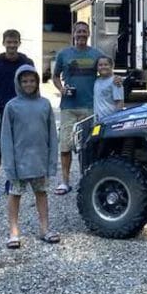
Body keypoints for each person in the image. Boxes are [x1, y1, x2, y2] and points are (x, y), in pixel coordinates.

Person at [1, 64, 59, 248]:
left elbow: (52, 135)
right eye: (24, 81)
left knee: (41, 194)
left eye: (32, 80)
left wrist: (52, 163)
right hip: (19, 163)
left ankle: (44, 228)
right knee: (15, 195)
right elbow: (6, 139)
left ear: (37, 82)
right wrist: (9, 166)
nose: (28, 84)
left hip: (39, 162)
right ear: (18, 82)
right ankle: (13, 232)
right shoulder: (11, 106)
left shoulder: (45, 104)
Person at [0, 29, 34, 201]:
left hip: (20, 112)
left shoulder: (27, 62)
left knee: (17, 148)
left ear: (19, 42)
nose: (12, 45)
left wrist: (32, 109)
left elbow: (32, 86)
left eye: (14, 42)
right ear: (4, 43)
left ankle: (12, 181)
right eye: (9, 42)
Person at [51, 21, 103, 195]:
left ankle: (86, 180)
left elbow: (106, 72)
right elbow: (55, 76)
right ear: (73, 34)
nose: (81, 34)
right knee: (65, 145)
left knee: (87, 146)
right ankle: (65, 182)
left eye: (84, 31)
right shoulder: (64, 54)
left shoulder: (96, 54)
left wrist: (116, 81)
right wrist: (61, 89)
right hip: (69, 107)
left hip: (90, 107)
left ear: (88, 34)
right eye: (78, 31)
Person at [93, 56, 125, 121]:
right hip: (98, 119)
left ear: (112, 66)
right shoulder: (97, 81)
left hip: (110, 119)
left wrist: (116, 119)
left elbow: (119, 102)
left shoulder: (115, 82)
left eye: (106, 64)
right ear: (97, 67)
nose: (103, 67)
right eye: (100, 65)